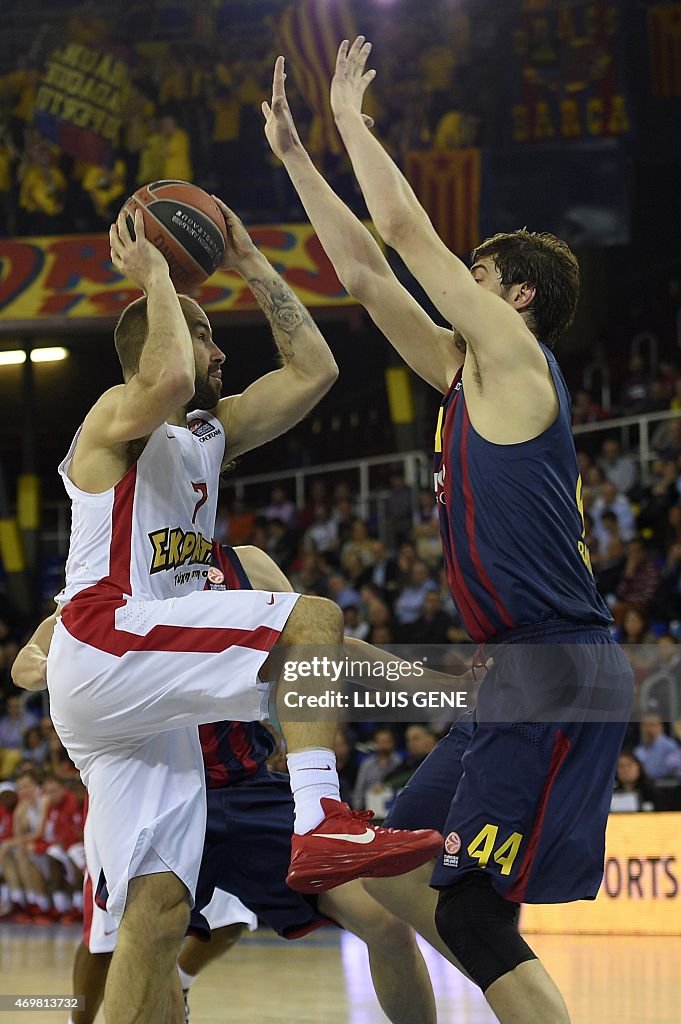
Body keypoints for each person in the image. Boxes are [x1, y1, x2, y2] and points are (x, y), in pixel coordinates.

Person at [262, 41, 633, 1023]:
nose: (456, 281)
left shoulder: (513, 353)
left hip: (555, 666)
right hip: (508, 670)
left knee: (470, 910)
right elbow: (364, 268)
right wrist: (299, 156)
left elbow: (399, 226)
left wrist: (351, 115)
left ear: (513, 297)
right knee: (395, 876)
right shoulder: (461, 377)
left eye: (475, 272)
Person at [43, 204, 441, 1024]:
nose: (222, 351)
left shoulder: (206, 437)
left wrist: (255, 263)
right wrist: (157, 276)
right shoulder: (112, 420)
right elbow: (168, 380)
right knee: (310, 619)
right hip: (105, 639)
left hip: (151, 704)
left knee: (152, 921)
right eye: (206, 333)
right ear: (158, 339)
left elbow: (312, 374)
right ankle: (322, 817)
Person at [14, 543, 466, 1024]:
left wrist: (444, 686)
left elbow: (314, 650)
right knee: (143, 948)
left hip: (247, 784)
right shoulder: (112, 574)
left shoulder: (245, 562)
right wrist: (53, 667)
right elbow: (30, 657)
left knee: (387, 924)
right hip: (154, 788)